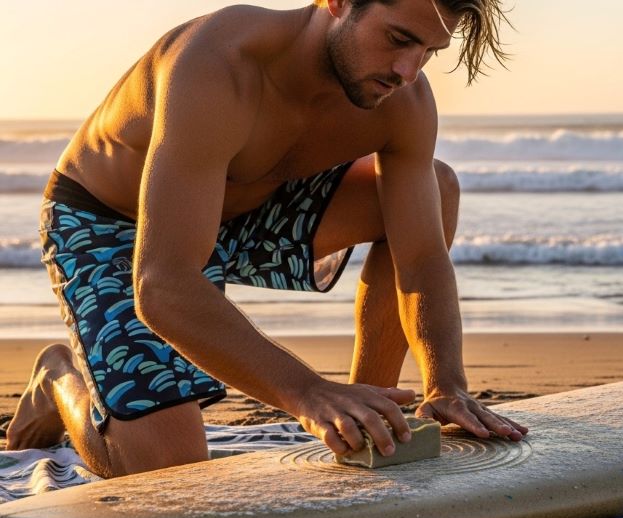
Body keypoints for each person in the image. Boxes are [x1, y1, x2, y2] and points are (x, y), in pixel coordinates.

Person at [5, 0, 527, 479]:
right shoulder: (218, 66)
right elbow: (163, 283)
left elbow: (421, 258)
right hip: (117, 222)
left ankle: (369, 422)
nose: (407, 72)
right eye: (397, 38)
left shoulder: (404, 101)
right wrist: (305, 391)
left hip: (256, 208)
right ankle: (59, 378)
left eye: (429, 52)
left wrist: (446, 383)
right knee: (169, 476)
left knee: (436, 188)